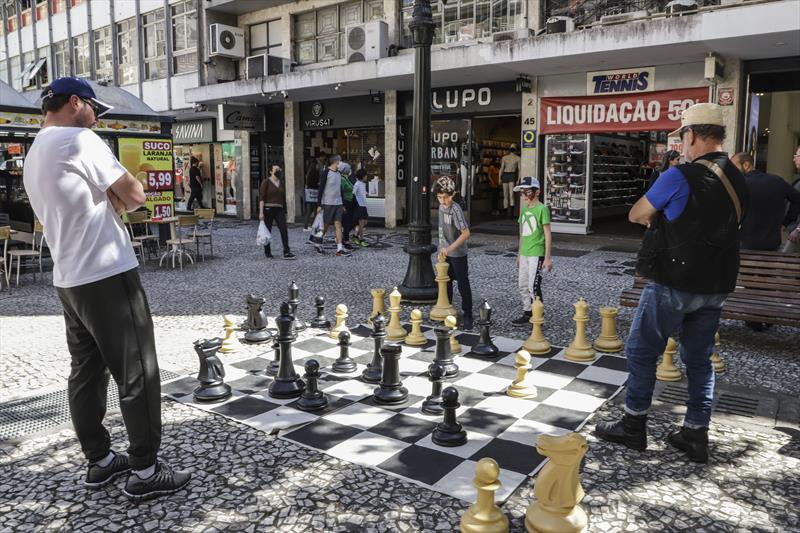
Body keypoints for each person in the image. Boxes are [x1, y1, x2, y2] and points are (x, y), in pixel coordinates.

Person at [23, 77, 191, 501]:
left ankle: (99, 461)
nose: (97, 117)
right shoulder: (79, 140)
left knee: (86, 372)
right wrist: (119, 198)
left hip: (69, 278)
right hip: (107, 272)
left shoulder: (35, 151)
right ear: (75, 103)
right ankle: (146, 469)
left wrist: (109, 200)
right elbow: (135, 195)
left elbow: (83, 204)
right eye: (94, 108)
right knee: (137, 370)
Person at [594, 103, 748, 463]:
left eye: (683, 136)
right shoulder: (740, 177)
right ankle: (696, 435)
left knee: (643, 352)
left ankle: (633, 427)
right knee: (699, 361)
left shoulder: (679, 176)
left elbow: (636, 214)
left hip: (674, 282)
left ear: (691, 135)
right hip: (716, 285)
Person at [730, 152, 800, 252]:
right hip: (772, 244)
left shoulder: (740, 185)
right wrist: (787, 221)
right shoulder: (777, 181)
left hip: (746, 244)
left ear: (746, 165)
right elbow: (797, 199)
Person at [511, 177, 553, 326]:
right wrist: (519, 253)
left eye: (526, 192)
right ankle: (527, 311)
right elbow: (522, 232)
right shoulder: (524, 210)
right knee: (522, 284)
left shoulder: (542, 209)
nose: (522, 196)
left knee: (533, 286)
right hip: (524, 253)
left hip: (537, 253)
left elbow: (547, 233)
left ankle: (538, 313)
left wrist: (547, 258)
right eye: (521, 193)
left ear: (537, 192)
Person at [433, 175, 474, 330]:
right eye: (439, 197)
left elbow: (466, 233)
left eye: (445, 197)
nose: (443, 201)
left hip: (458, 253)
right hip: (445, 252)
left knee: (463, 284)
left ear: (453, 195)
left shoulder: (455, 209)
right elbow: (441, 229)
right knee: (445, 283)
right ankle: (446, 310)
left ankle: (468, 314)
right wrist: (441, 248)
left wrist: (450, 248)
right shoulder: (441, 207)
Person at [259, 163, 295, 260]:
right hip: (268, 208)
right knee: (268, 230)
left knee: (284, 229)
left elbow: (283, 198)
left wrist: (286, 211)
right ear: (271, 171)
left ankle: (286, 251)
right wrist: (261, 212)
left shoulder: (281, 183)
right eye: (276, 169)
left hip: (279, 209)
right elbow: (262, 197)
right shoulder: (266, 182)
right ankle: (267, 251)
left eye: (279, 169)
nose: (278, 171)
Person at [317, 154, 350, 257]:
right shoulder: (326, 173)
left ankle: (339, 248)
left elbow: (340, 189)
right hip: (327, 203)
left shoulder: (339, 173)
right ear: (336, 161)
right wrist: (319, 204)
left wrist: (343, 204)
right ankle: (317, 243)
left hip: (338, 203)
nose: (342, 162)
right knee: (325, 225)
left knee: (338, 225)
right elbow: (321, 189)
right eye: (340, 160)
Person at [783, 146, 800, 252]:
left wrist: (798, 230)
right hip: (793, 229)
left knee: (783, 263)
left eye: (797, 156)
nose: (794, 159)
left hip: (796, 232)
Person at [303, 153, 326, 230]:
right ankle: (313, 225)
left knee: (310, 209)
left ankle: (307, 226)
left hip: (310, 192)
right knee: (314, 209)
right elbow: (316, 183)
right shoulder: (315, 172)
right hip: (314, 192)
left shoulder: (308, 174)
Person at [338, 161, 358, 250]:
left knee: (350, 221)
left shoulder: (346, 178)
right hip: (345, 202)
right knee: (347, 222)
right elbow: (340, 191)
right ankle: (345, 240)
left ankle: (344, 237)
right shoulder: (342, 179)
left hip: (350, 202)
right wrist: (342, 204)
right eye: (349, 169)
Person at [499, 144, 521, 217]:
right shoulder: (504, 158)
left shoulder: (518, 158)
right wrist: (499, 178)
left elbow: (519, 170)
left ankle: (511, 213)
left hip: (512, 175)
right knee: (505, 195)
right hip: (505, 174)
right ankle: (506, 213)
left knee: (511, 195)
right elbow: (501, 169)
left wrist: (518, 179)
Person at [352, 169, 370, 247]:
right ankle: (361, 239)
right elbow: (353, 193)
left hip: (364, 205)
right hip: (359, 206)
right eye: (365, 175)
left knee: (364, 222)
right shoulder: (357, 184)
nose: (366, 176)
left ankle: (355, 236)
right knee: (361, 223)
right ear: (362, 176)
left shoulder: (363, 184)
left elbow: (362, 193)